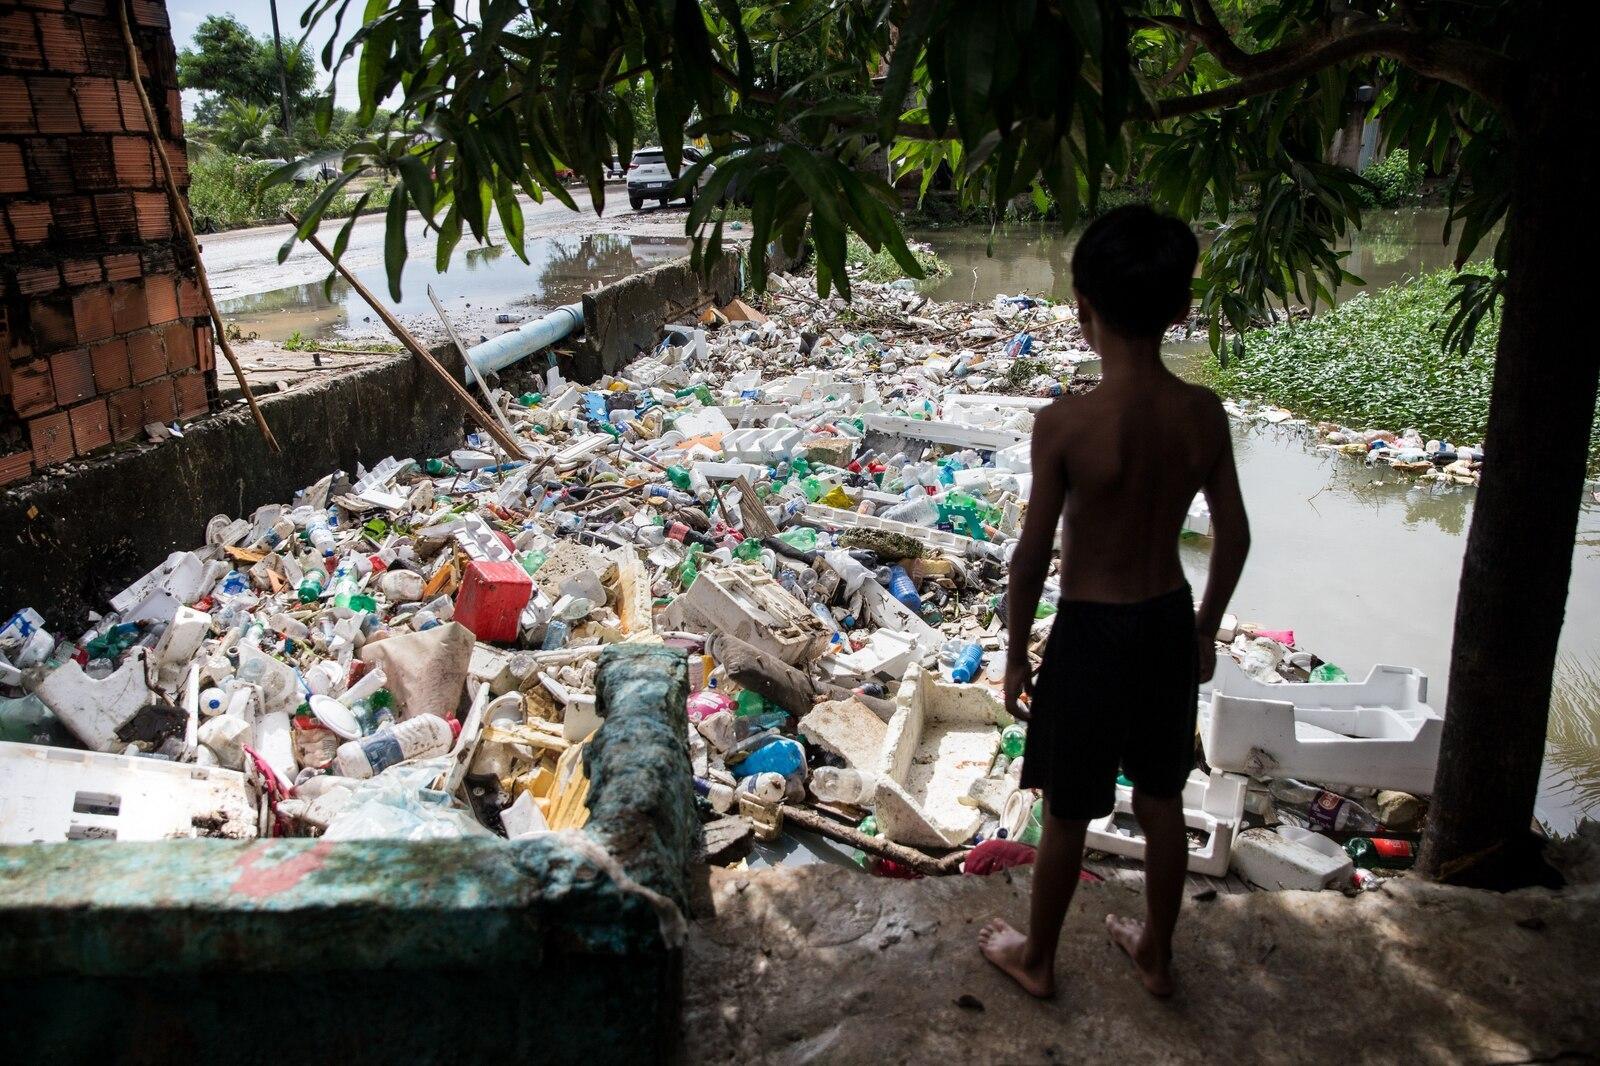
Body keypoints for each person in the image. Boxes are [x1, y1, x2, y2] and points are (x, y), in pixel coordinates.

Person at [978, 205, 1250, 1000]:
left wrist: (1016, 653)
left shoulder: (1064, 424)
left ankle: (1037, 958)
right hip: (1166, 619)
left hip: (1090, 634)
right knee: (1163, 800)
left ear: (1081, 309)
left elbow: (1031, 559)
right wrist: (1204, 630)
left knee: (1068, 812)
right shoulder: (1204, 415)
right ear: (1181, 308)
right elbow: (1232, 539)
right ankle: (1158, 956)